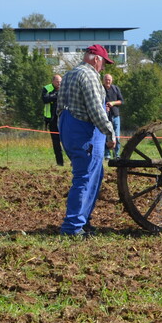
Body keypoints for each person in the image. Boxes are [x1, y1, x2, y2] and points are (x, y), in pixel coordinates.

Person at [58, 45, 116, 237]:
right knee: (84, 178)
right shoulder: (89, 75)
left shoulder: (68, 75)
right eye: (104, 64)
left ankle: (83, 221)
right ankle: (72, 227)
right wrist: (110, 132)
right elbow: (95, 109)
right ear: (96, 59)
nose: (104, 69)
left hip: (68, 127)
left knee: (93, 176)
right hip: (85, 132)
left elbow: (59, 107)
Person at [42, 74, 65, 166]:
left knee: (67, 141)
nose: (59, 83)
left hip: (64, 119)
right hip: (52, 120)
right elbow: (45, 99)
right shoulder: (46, 88)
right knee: (56, 143)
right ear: (53, 81)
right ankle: (60, 163)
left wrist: (54, 97)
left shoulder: (65, 88)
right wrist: (57, 96)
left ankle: (73, 161)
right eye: (57, 81)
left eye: (60, 81)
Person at [103, 72, 124, 159]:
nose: (108, 81)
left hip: (115, 116)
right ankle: (107, 155)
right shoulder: (100, 89)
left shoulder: (115, 89)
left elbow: (121, 101)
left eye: (109, 80)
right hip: (104, 116)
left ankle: (117, 155)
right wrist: (104, 107)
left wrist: (113, 103)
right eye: (106, 79)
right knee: (106, 136)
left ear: (111, 80)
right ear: (103, 80)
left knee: (117, 136)